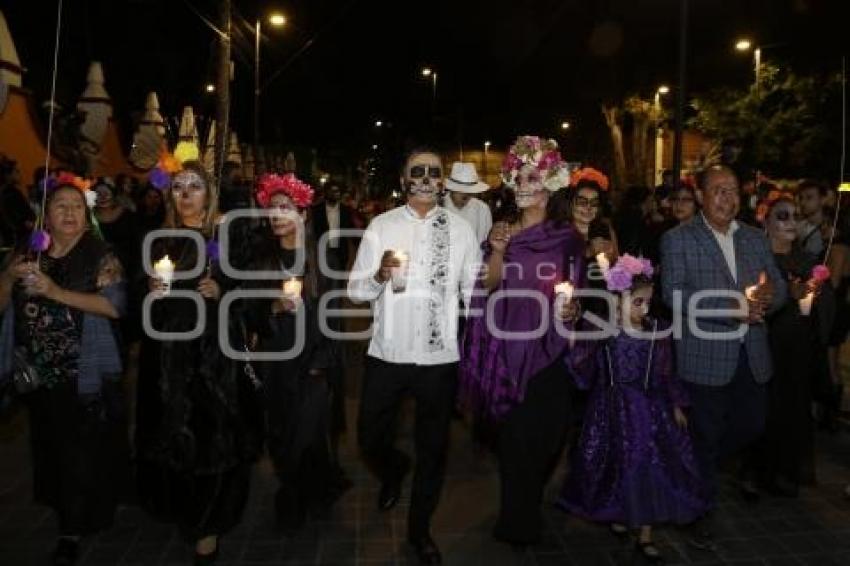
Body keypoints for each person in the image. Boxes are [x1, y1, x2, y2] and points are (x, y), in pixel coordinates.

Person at [347, 147, 480, 565]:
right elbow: (355, 291)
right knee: (369, 436)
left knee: (433, 449)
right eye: (417, 171)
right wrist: (380, 274)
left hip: (439, 359)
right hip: (388, 352)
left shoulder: (460, 231)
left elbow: (475, 293)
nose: (425, 178)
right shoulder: (380, 225)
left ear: (442, 181)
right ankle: (391, 469)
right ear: (405, 179)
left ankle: (419, 530)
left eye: (433, 172)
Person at [459, 135, 583, 548]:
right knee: (515, 441)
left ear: (550, 183)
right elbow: (486, 285)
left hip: (549, 352)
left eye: (532, 177)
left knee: (549, 437)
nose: (523, 185)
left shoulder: (567, 239)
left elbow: (577, 295)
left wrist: (571, 311)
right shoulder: (504, 231)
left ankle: (526, 502)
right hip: (507, 350)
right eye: (517, 178)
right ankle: (517, 519)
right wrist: (496, 250)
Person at [135, 160, 259, 564]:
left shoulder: (227, 232)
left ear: (209, 193)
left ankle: (208, 528)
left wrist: (222, 287)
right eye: (178, 186)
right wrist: (150, 289)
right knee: (174, 434)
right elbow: (140, 301)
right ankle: (185, 508)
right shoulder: (158, 237)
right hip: (167, 356)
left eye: (195, 186)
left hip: (212, 357)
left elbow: (251, 288)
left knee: (212, 437)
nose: (185, 193)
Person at [0, 175, 127, 566]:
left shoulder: (101, 254)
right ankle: (70, 514)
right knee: (51, 449)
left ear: (87, 216)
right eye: (60, 206)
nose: (69, 212)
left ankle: (73, 528)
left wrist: (55, 292)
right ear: (45, 216)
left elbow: (115, 307)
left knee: (82, 450)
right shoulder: (27, 252)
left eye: (76, 206)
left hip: (82, 371)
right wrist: (7, 277)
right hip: (38, 373)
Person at [660, 164, 787, 550]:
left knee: (752, 425)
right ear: (700, 195)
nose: (727, 198)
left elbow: (777, 284)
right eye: (718, 190)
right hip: (704, 354)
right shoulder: (678, 238)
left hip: (752, 353)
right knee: (705, 434)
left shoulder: (753, 237)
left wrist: (770, 297)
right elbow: (673, 295)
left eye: (732, 190)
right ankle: (701, 508)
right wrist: (731, 309)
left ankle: (698, 469)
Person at [557, 255, 706, 564]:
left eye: (648, 302)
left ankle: (646, 533)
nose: (645, 309)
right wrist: (571, 326)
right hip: (611, 410)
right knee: (617, 464)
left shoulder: (657, 332)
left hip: (651, 409)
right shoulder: (605, 331)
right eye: (638, 302)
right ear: (617, 300)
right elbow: (580, 361)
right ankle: (623, 511)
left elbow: (666, 372)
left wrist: (677, 403)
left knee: (648, 465)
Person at [245, 173, 344, 530]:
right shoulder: (260, 257)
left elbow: (334, 317)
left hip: (312, 361)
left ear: (302, 214)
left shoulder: (322, 258)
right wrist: (271, 308)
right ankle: (307, 487)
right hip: (274, 358)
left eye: (286, 208)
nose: (277, 215)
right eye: (272, 209)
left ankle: (294, 495)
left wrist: (322, 362)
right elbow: (246, 309)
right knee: (281, 432)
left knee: (309, 433)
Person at [750, 193, 825, 496]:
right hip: (766, 342)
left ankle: (787, 471)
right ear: (766, 222)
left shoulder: (806, 260)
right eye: (782, 216)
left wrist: (815, 297)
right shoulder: (756, 258)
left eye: (795, 216)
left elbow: (818, 308)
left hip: (797, 344)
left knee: (793, 404)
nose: (791, 222)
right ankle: (757, 472)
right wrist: (780, 294)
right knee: (765, 407)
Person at [310, 180, 357, 485]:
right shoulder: (315, 213)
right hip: (318, 259)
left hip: (337, 259)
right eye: (330, 191)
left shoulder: (348, 211)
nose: (334, 195)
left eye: (337, 191)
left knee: (335, 296)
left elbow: (353, 235)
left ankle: (335, 321)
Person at [442, 162, 493, 243]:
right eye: (460, 190)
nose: (466, 194)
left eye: (469, 191)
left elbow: (486, 242)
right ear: (451, 189)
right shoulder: (439, 207)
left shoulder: (482, 209)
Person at [797, 180, 829, 258]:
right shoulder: (797, 226)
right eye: (801, 198)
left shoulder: (831, 228)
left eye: (809, 198)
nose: (802, 202)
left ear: (822, 200)